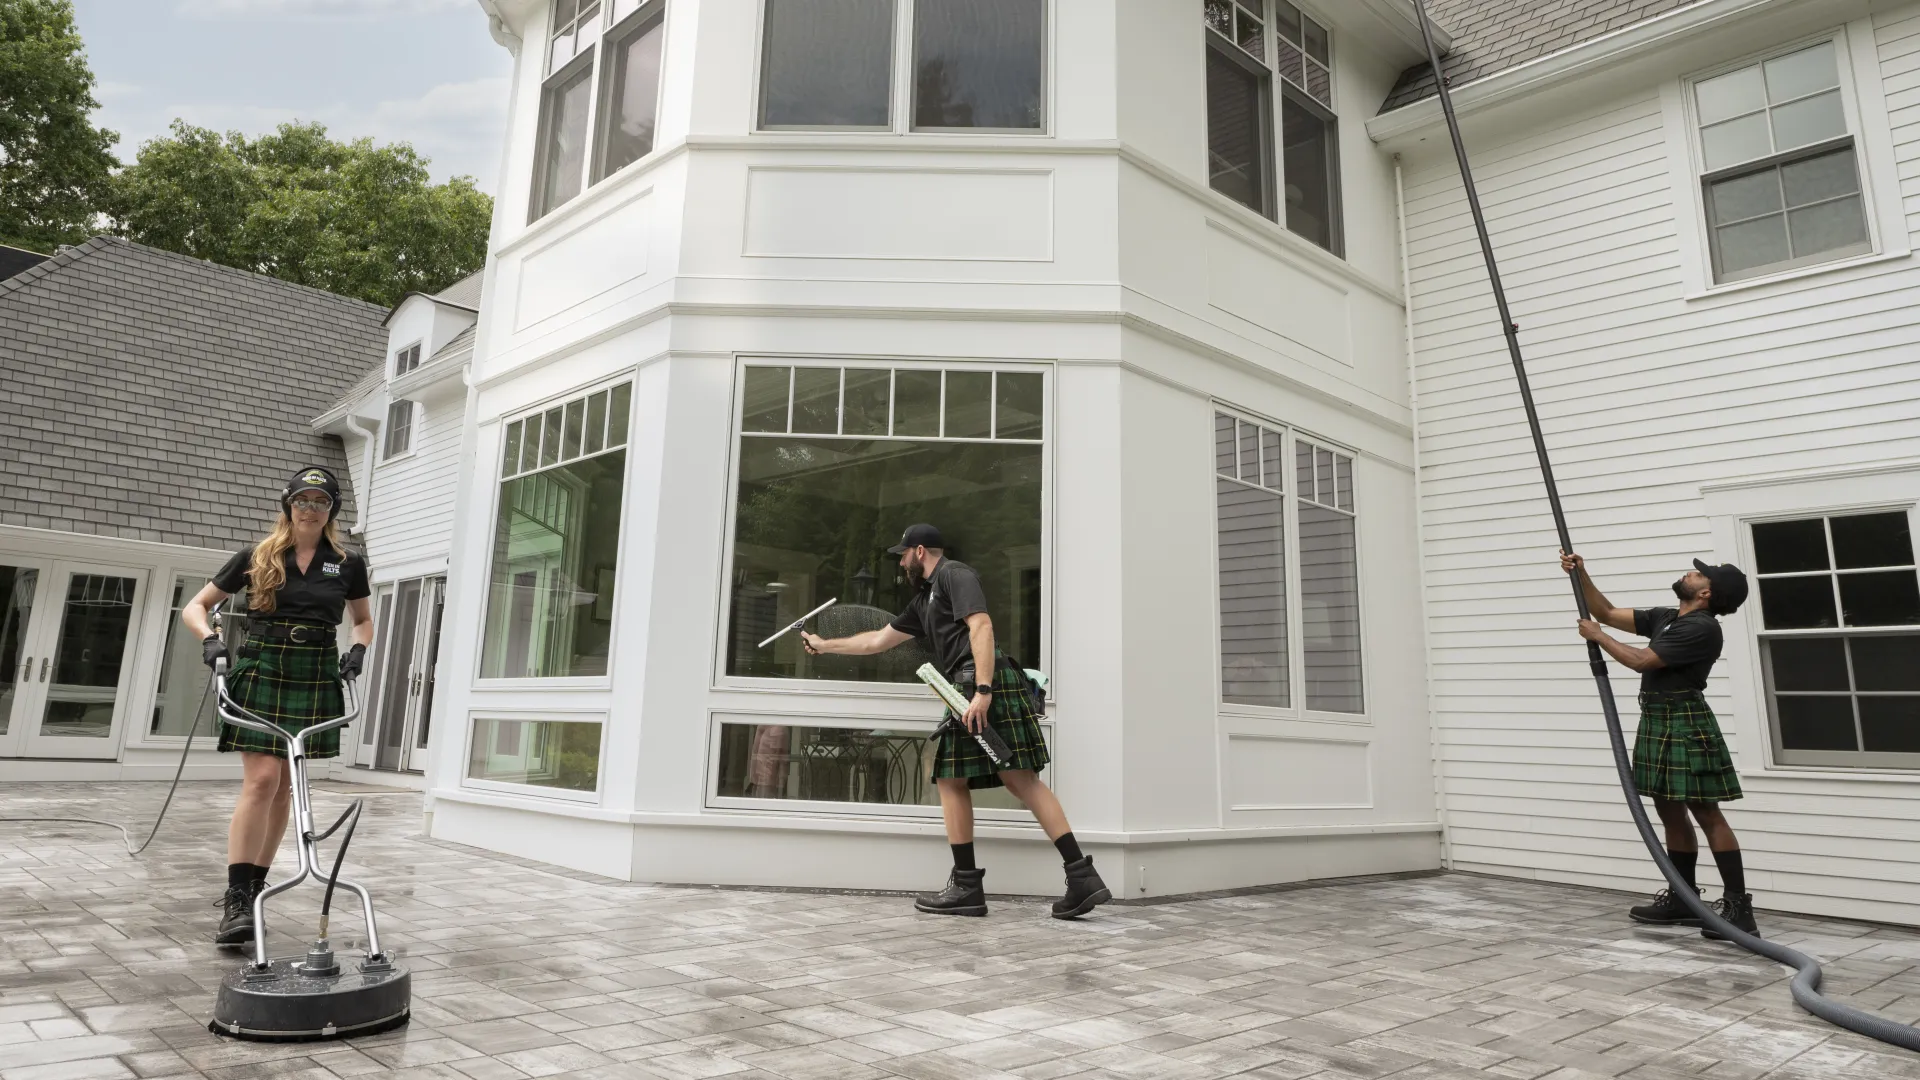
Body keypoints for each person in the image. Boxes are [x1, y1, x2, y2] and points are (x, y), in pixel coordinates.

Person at [802, 524, 1109, 919]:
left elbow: (981, 626)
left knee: (970, 780)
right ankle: (1078, 877)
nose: (900, 561)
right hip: (972, 684)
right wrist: (825, 645)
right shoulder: (924, 599)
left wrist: (982, 691)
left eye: (903, 554)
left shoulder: (954, 574)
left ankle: (968, 886)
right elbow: (878, 640)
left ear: (919, 551)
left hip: (979, 683)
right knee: (1016, 780)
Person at [182, 467, 373, 945]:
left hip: (314, 671)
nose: (311, 508)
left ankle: (255, 886)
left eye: (321, 501)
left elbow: (363, 620)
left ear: (331, 511)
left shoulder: (348, 562)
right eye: (303, 500)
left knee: (286, 788)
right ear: (288, 504)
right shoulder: (256, 556)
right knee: (263, 780)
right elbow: (196, 606)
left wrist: (358, 650)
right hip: (265, 667)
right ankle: (236, 899)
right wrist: (210, 641)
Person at [1561, 550, 1755, 938]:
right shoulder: (1668, 617)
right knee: (1668, 810)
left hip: (1685, 722)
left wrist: (1599, 638)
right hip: (1657, 719)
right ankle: (1684, 897)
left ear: (1706, 595)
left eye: (1701, 575)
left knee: (1706, 813)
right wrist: (1582, 574)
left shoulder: (1700, 627)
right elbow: (1606, 611)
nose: (1691, 573)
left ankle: (1738, 907)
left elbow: (1642, 661)